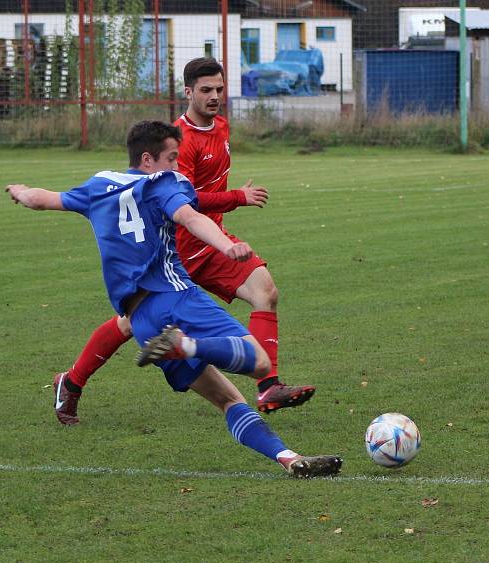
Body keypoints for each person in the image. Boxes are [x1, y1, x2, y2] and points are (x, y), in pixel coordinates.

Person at [6, 120, 342, 478]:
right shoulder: (161, 184)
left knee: (228, 400)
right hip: (176, 298)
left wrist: (21, 189)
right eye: (171, 158)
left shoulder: (98, 186)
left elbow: (42, 199)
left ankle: (288, 458)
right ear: (148, 160)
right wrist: (227, 246)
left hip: (142, 322)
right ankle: (186, 345)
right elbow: (189, 216)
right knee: (260, 363)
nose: (177, 167)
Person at [52, 57, 313, 426]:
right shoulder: (179, 142)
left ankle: (269, 386)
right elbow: (185, 200)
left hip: (214, 241)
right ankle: (72, 382)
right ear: (188, 92)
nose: (215, 96)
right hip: (175, 252)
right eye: (206, 90)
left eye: (220, 89)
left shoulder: (220, 126)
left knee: (265, 291)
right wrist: (238, 197)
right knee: (129, 325)